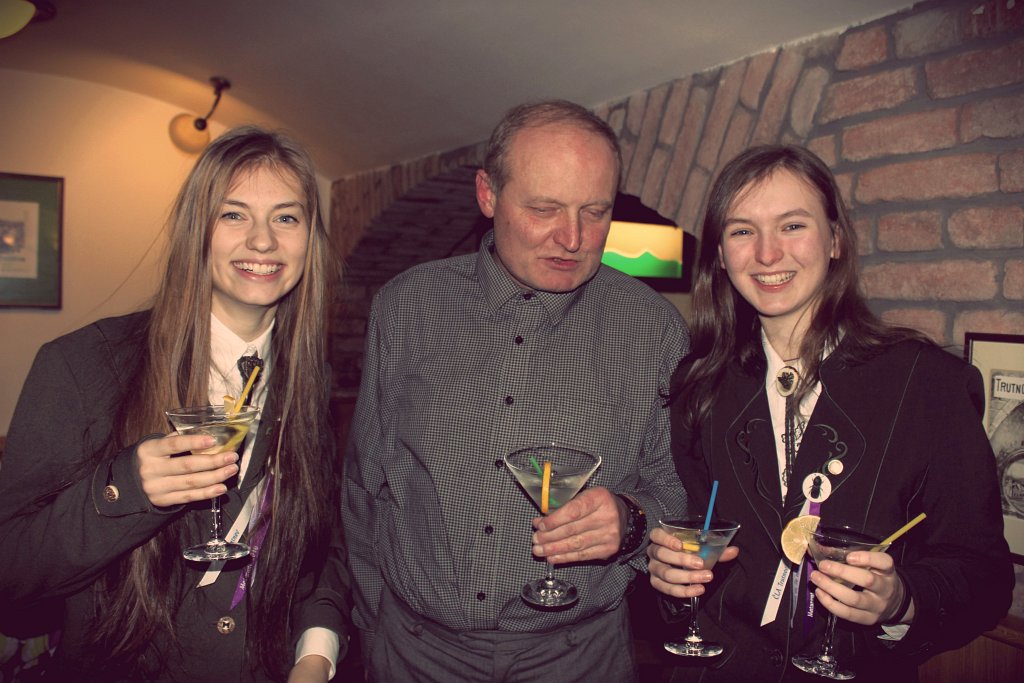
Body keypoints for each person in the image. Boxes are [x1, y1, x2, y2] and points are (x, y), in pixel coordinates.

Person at [342, 99, 688, 682]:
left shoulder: (654, 328)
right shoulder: (406, 307)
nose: (572, 238)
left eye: (595, 211)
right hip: (416, 652)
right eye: (544, 208)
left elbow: (679, 487)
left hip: (580, 658)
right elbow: (364, 484)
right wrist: (374, 627)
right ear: (487, 194)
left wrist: (632, 521)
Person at [647, 144, 1014, 681]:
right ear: (721, 255)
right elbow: (691, 551)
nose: (767, 254)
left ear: (836, 239)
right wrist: (669, 579)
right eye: (743, 231)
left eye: (793, 226)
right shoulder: (699, 387)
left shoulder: (929, 384)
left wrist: (900, 601)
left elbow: (984, 579)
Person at [0, 127, 350, 682]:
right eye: (233, 214)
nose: (262, 241)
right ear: (196, 231)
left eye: (286, 217)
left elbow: (316, 549)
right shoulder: (83, 364)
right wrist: (124, 489)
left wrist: (315, 653)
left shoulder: (311, 380)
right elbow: (10, 573)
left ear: (310, 238)